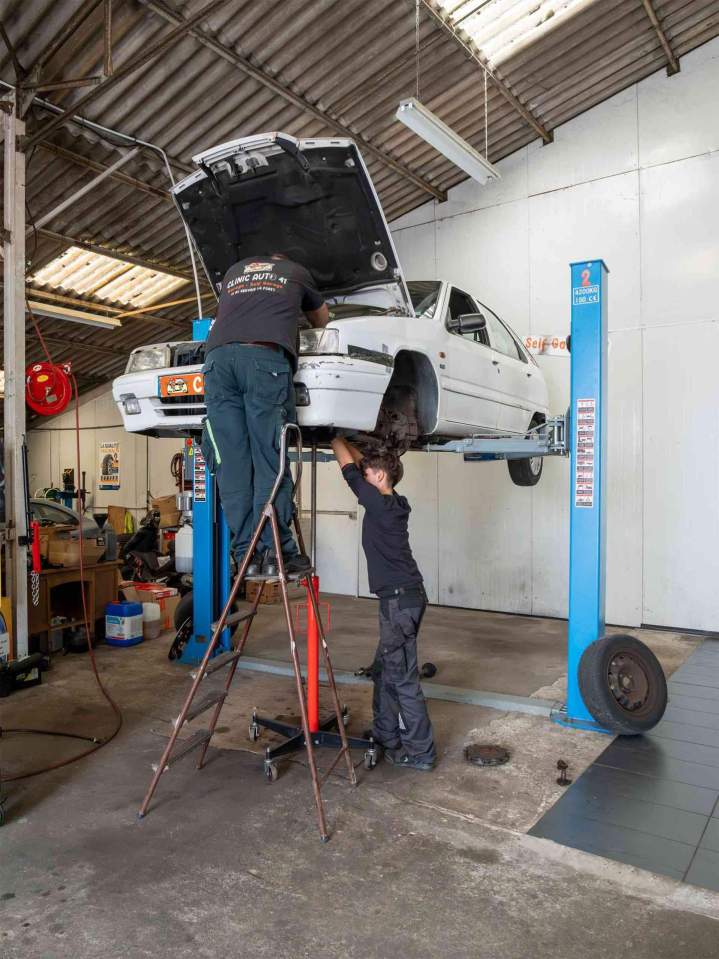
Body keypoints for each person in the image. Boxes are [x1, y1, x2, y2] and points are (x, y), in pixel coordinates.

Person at [202, 254, 329, 577]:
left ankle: (246, 554)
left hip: (217, 363)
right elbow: (322, 319)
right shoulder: (296, 270)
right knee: (270, 458)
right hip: (263, 360)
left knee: (232, 464)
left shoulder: (234, 270)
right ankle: (275, 552)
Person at [330, 437, 437, 771]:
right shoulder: (394, 501)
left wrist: (334, 435)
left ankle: (421, 753)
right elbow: (363, 465)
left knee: (403, 678)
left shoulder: (378, 504)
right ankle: (386, 734)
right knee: (385, 670)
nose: (364, 475)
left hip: (399, 603)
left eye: (369, 474)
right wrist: (361, 452)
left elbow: (348, 467)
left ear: (379, 478)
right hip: (405, 599)